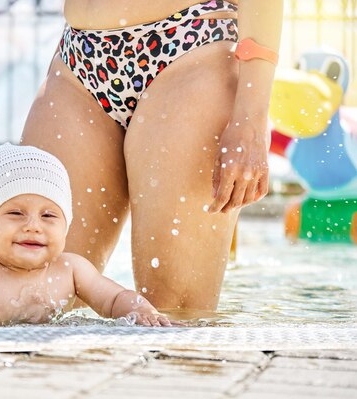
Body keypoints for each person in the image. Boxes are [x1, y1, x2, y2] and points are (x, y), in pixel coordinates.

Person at [20, 0, 283, 315]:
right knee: (35, 300)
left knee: (174, 311)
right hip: (81, 57)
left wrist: (250, 119)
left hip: (189, 44)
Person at [0, 144, 174, 327]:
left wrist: (140, 309)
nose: (33, 226)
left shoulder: (71, 270)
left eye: (48, 216)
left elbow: (114, 299)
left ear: (65, 227)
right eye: (16, 213)